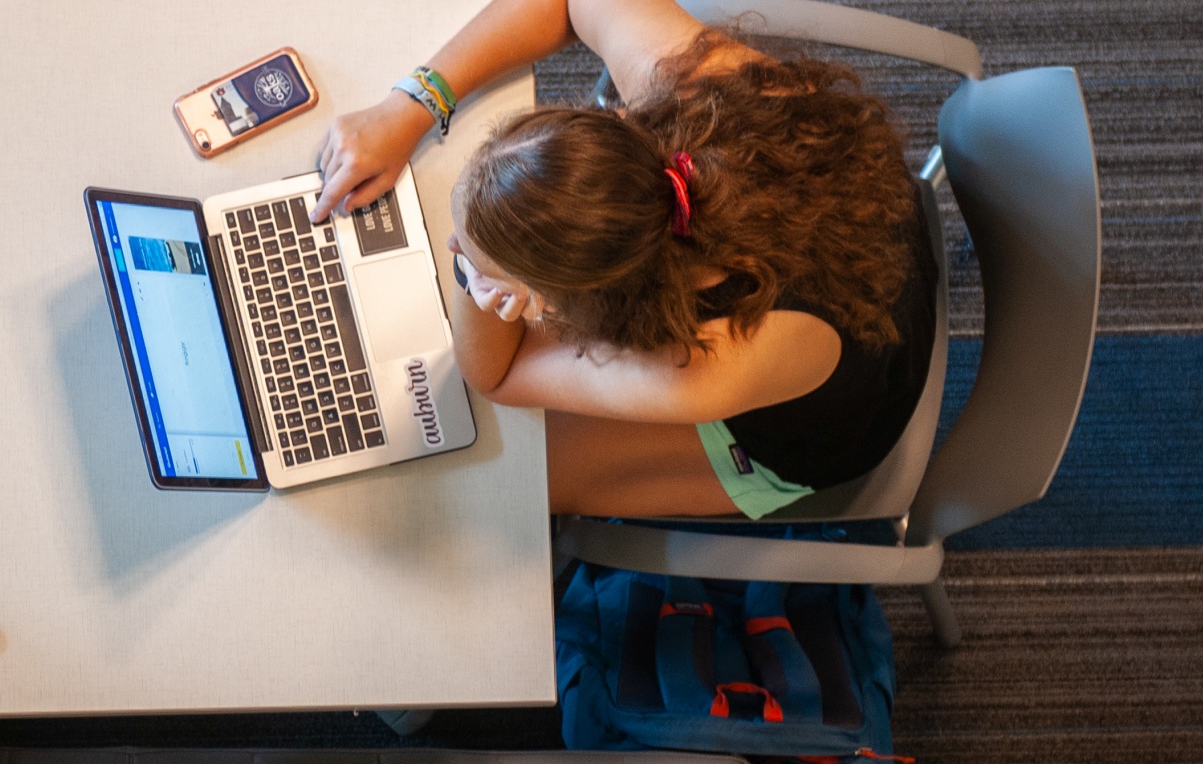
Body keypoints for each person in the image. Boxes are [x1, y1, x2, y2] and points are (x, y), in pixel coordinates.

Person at [314, 0, 936, 520]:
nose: (454, 246)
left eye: (468, 250)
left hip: (830, 412)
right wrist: (411, 107)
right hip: (866, 228)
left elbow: (495, 376)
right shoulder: (692, 93)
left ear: (576, 302)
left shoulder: (706, 365)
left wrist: (469, 272)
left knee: (491, 484)